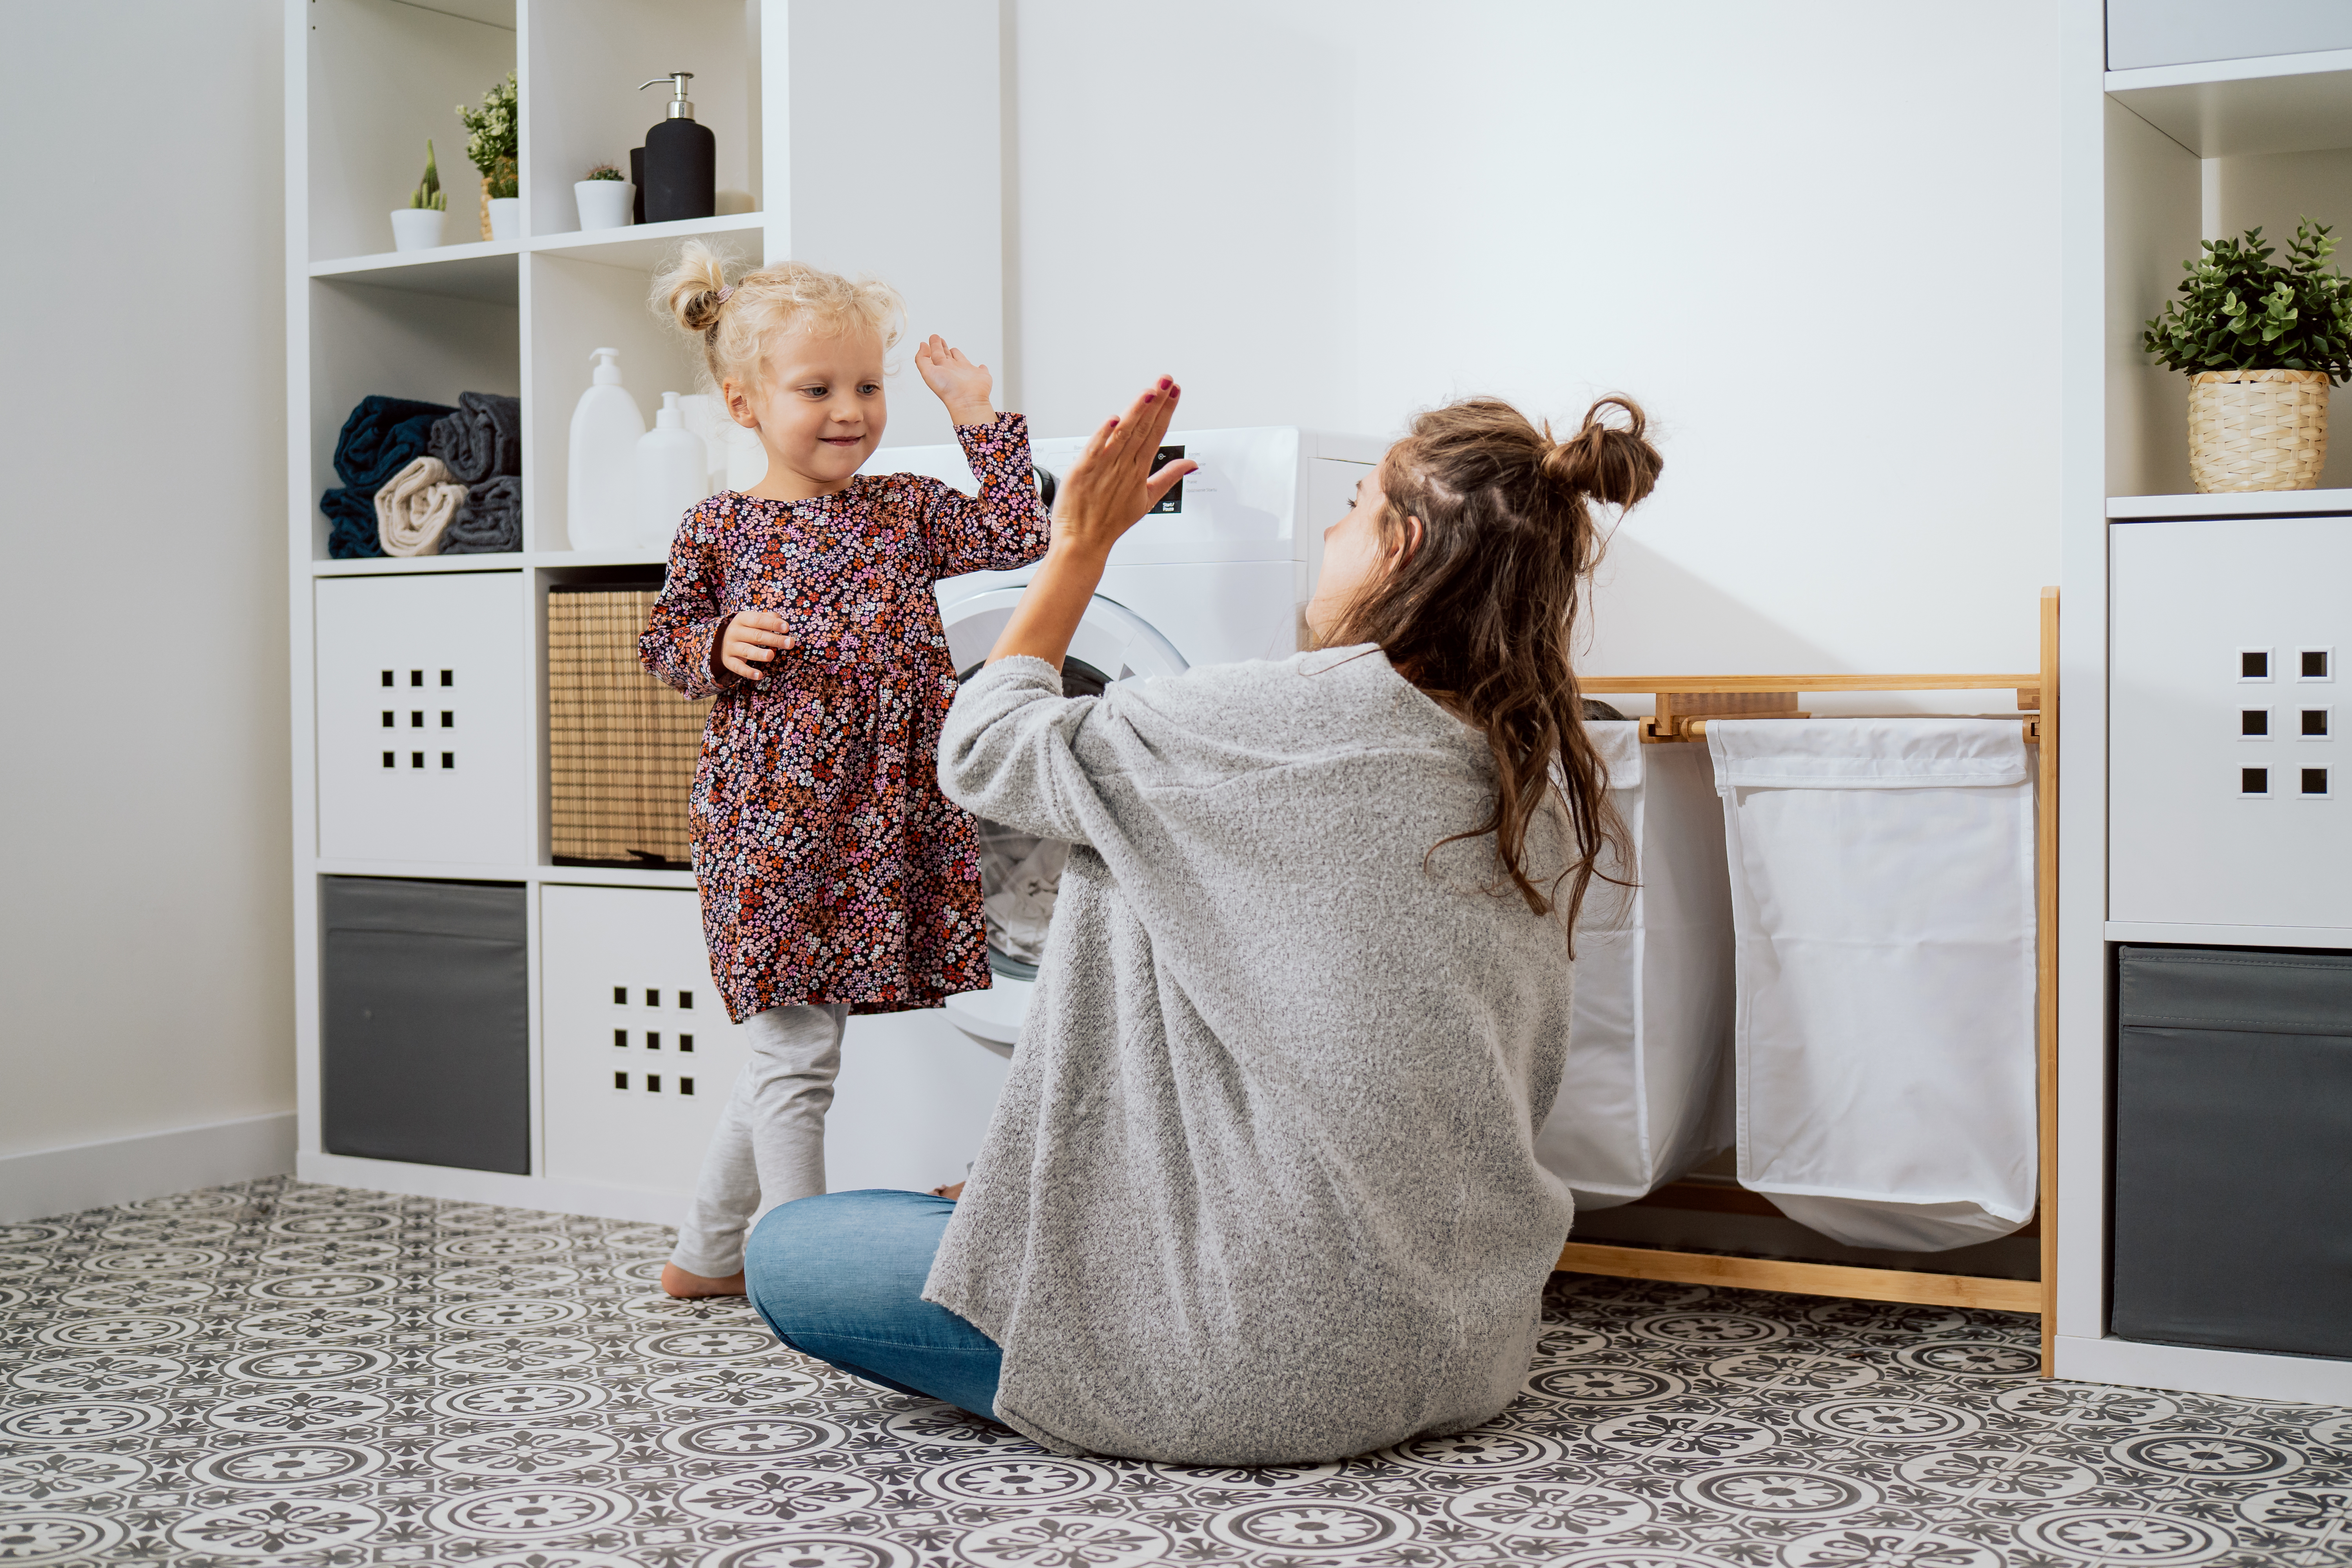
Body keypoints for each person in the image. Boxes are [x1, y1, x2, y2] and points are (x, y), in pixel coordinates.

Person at [745, 377, 1664, 1465]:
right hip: (1463, 1346)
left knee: (795, 1249)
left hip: (1231, 1362)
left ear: (1401, 545)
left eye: (1354, 506)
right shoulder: (1526, 768)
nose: (1330, 532)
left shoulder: (1273, 713)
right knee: (956, 1217)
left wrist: (1077, 549)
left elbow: (987, 745)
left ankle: (1082, 1282)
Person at [638, 241, 1051, 1299]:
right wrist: (718, 641)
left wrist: (975, 414)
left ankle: (706, 1254)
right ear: (744, 405)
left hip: (873, 824)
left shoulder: (906, 509)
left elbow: (1019, 532)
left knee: (793, 1043)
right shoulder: (720, 529)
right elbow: (664, 638)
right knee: (795, 1052)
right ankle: (802, 1280)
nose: (850, 409)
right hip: (768, 825)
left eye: (867, 385)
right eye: (816, 388)